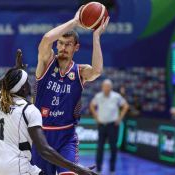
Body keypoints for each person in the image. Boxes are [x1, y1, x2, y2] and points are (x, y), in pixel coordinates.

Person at [0, 50, 98, 175]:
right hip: (14, 166)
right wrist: (78, 169)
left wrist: (14, 70)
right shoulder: (29, 110)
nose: (30, 84)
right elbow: (44, 150)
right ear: (23, 88)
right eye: (27, 82)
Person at [32, 5, 109, 175]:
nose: (63, 48)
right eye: (60, 43)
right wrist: (75, 21)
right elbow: (46, 39)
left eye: (68, 44)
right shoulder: (46, 63)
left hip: (66, 136)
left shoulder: (80, 71)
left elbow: (97, 71)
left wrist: (96, 36)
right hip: (41, 136)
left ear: (76, 48)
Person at [90, 79, 129, 174]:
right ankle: (98, 170)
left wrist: (120, 118)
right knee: (100, 148)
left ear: (111, 87)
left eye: (108, 87)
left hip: (113, 125)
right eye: (105, 86)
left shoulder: (116, 96)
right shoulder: (98, 96)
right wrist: (96, 117)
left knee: (113, 148)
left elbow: (126, 106)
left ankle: (112, 170)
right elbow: (91, 105)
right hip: (102, 125)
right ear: (102, 87)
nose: (106, 88)